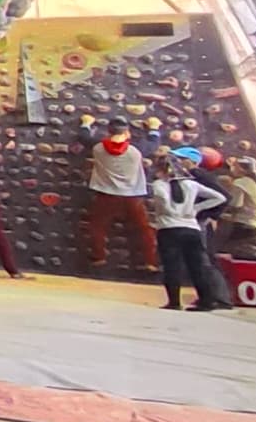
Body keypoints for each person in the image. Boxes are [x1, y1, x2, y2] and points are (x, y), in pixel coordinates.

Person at [148, 153, 233, 311]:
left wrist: (172, 212)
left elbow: (164, 203)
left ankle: (174, 302)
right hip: (192, 228)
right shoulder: (191, 184)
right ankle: (207, 301)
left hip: (169, 228)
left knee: (172, 266)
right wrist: (196, 208)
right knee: (197, 266)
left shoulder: (159, 184)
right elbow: (219, 198)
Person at [81, 115, 155, 278]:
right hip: (132, 196)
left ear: (109, 132)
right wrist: (154, 128)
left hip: (106, 194)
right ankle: (150, 261)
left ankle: (99, 257)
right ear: (127, 133)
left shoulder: (98, 148)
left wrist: (86, 123)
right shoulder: (136, 150)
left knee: (97, 226)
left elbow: (85, 138)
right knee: (144, 228)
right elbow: (152, 144)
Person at [222, 156, 256, 260]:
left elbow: (236, 205)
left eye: (235, 166)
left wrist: (220, 212)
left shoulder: (240, 183)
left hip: (246, 228)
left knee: (225, 251)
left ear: (241, 169)